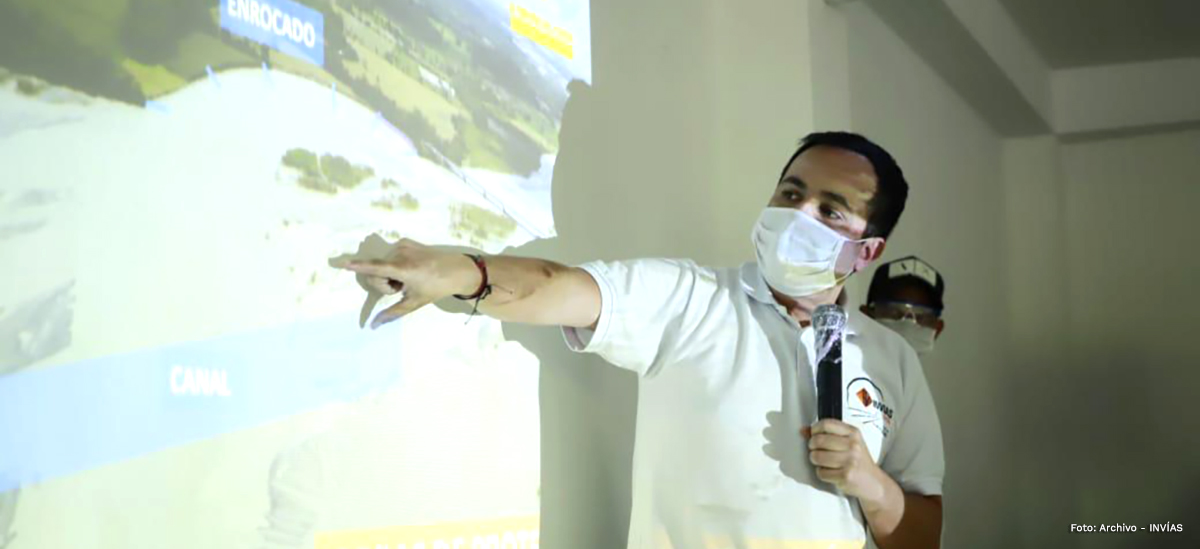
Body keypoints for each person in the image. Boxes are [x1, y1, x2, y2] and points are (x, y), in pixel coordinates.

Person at [334, 132, 945, 549]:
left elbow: (922, 535)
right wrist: (464, 273)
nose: (798, 214)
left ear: (868, 251)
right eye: (791, 193)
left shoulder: (888, 358)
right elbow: (562, 288)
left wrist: (871, 484)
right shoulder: (690, 298)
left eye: (830, 210)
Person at [861, 256, 946, 356]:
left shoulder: (915, 372)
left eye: (921, 316)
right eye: (894, 311)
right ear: (865, 316)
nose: (908, 322)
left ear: (937, 329)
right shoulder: (844, 368)